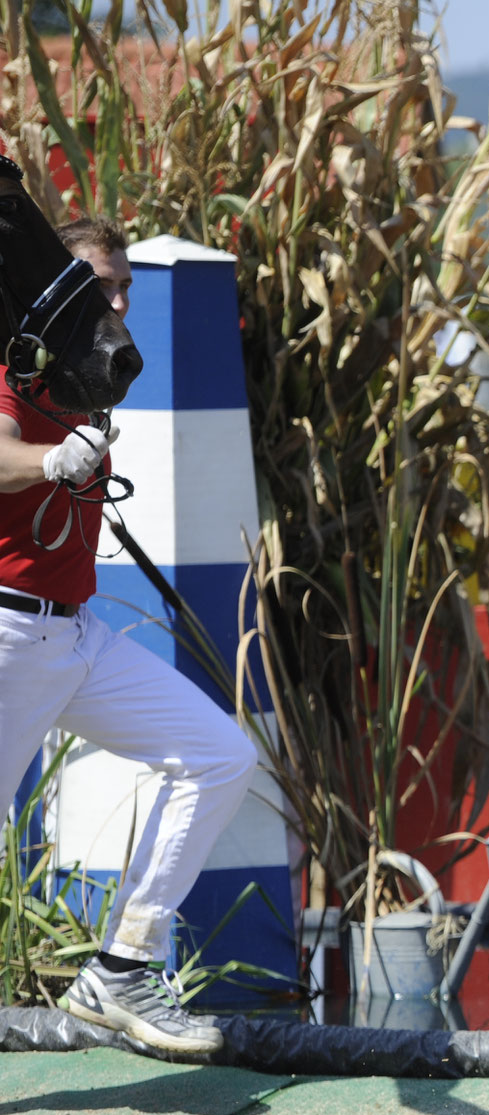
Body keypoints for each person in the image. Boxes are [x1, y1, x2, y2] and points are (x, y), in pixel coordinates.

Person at [0, 215, 256, 1055]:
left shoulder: (77, 377)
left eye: (123, 290)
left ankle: (120, 967)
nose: (116, 305)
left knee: (220, 754)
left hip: (75, 640)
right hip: (7, 634)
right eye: (99, 286)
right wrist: (50, 463)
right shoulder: (10, 365)